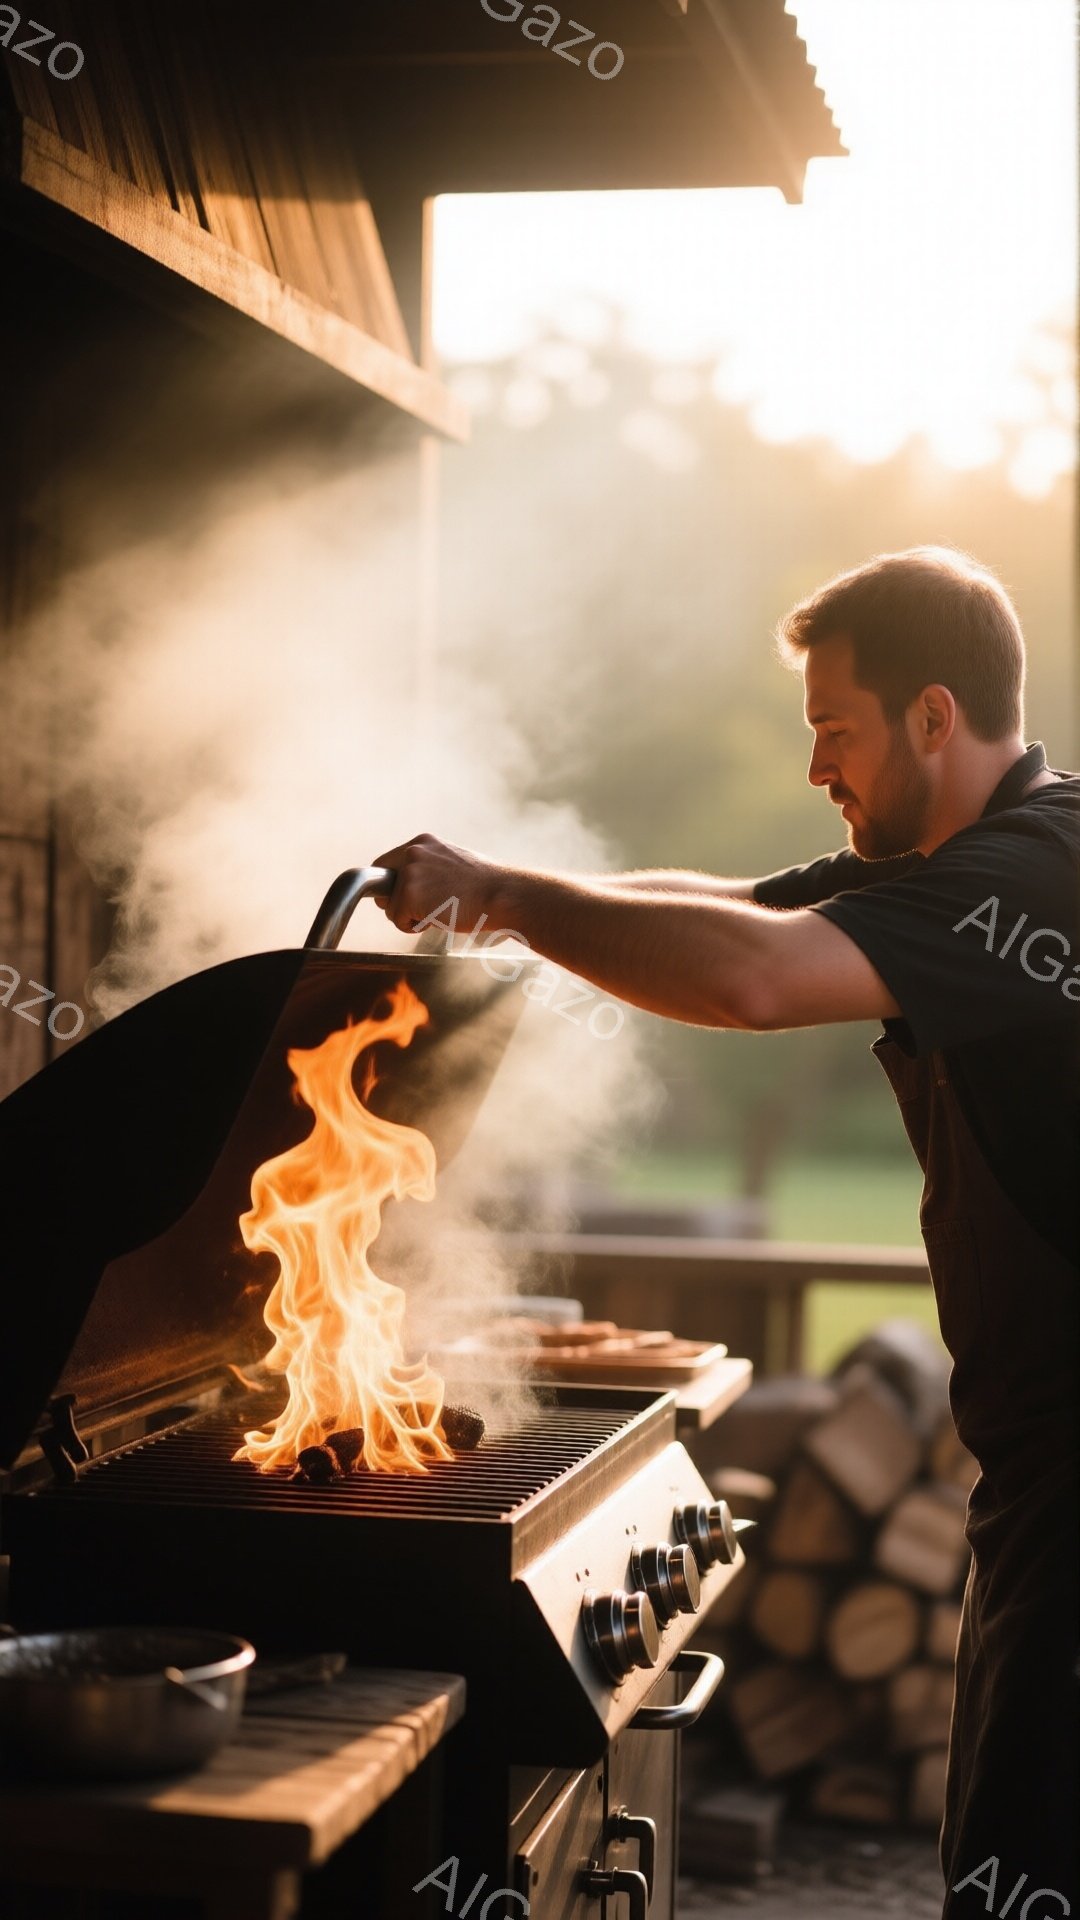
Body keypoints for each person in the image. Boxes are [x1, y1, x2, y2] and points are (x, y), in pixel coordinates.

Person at [373, 545, 1079, 1918]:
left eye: (837, 732)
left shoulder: (1039, 880)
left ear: (936, 718)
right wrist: (505, 891)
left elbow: (757, 981)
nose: (820, 767)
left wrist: (511, 903)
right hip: (1037, 1477)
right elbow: (737, 912)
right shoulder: (964, 860)